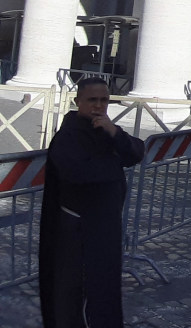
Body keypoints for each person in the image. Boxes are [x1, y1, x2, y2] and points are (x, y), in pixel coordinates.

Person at [39, 77, 145, 328]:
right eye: (92, 100)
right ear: (78, 102)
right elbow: (79, 173)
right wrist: (114, 161)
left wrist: (115, 134)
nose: (98, 105)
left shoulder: (106, 129)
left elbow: (136, 152)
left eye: (104, 100)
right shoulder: (68, 136)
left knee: (104, 289)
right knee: (71, 292)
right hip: (77, 228)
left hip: (104, 225)